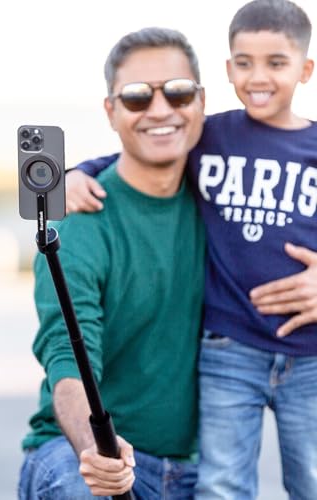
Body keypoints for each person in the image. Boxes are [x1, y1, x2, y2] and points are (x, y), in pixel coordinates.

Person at [65, 1, 317, 498]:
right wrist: (76, 173)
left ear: (305, 69)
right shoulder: (211, 135)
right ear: (227, 70)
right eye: (244, 63)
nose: (258, 76)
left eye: (276, 63)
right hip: (229, 348)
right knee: (222, 482)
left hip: (310, 352)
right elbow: (131, 152)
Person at [18, 27, 207, 499]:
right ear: (111, 111)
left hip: (197, 467)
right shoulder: (77, 226)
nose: (160, 110)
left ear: (201, 101)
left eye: (178, 92)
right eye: (138, 97)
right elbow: (66, 360)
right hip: (79, 452)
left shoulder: (225, 203)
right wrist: (96, 452)